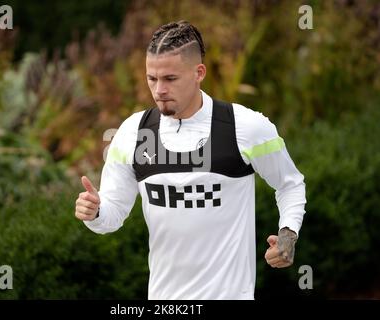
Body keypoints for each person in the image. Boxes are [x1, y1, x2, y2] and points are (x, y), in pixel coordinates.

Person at [75, 21, 306, 300]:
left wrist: (287, 234)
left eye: (170, 79)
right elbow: (112, 216)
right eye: (152, 78)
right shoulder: (133, 133)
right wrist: (95, 211)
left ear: (199, 73)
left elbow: (290, 184)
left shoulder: (244, 126)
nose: (159, 89)